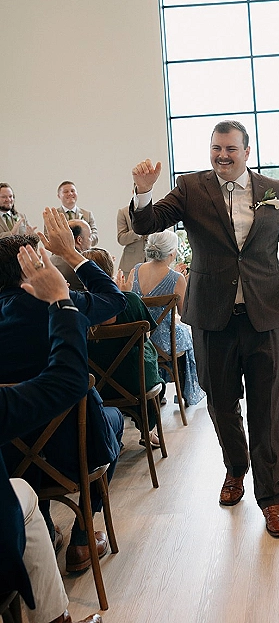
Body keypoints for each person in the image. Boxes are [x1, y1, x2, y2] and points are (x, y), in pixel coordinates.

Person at [130, 119, 279, 538]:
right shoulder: (190, 189)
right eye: (216, 148)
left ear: (247, 151)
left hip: (265, 316)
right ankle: (236, 468)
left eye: (230, 149)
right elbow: (147, 223)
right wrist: (144, 191)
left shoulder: (275, 191)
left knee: (267, 406)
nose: (222, 155)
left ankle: (273, 498)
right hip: (212, 319)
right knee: (221, 403)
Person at [0, 208, 126, 573]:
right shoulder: (58, 302)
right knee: (112, 418)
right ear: (35, 269)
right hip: (74, 450)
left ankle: (42, 525)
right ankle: (85, 536)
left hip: (10, 460)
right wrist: (73, 255)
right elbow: (115, 300)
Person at [1, 240, 103, 623]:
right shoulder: (68, 302)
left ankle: (53, 527)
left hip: (18, 454)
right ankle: (81, 537)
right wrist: (61, 298)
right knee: (102, 423)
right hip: (69, 451)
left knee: (23, 477)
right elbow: (67, 382)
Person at [84, 247, 164, 447]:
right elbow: (146, 335)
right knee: (148, 358)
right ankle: (148, 430)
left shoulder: (78, 304)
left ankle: (109, 436)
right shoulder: (130, 300)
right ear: (110, 271)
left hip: (94, 386)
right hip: (134, 383)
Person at [124, 231, 203, 413]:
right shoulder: (176, 278)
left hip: (140, 340)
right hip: (165, 343)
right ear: (172, 253)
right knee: (186, 335)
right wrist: (186, 283)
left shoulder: (136, 269)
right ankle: (185, 391)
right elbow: (185, 314)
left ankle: (158, 391)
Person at [50, 219, 92, 289]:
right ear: (79, 240)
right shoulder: (83, 264)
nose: (91, 240)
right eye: (90, 237)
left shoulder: (52, 259)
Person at [56, 181, 98, 246]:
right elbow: (49, 237)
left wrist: (84, 241)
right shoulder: (53, 215)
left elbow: (95, 236)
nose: (70, 193)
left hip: (84, 254)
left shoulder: (87, 214)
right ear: (59, 196)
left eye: (72, 191)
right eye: (66, 191)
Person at [117, 204, 146, 275]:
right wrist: (138, 231)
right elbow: (121, 239)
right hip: (130, 264)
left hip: (153, 262)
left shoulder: (155, 210)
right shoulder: (123, 212)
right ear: (134, 192)